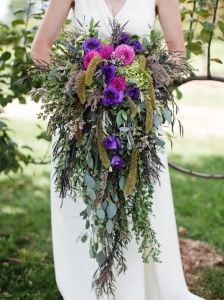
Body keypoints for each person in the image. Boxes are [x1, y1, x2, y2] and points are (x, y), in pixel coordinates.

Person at [31, 1, 204, 299]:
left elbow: (178, 52)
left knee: (136, 205)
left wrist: (144, 80)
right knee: (85, 203)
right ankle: (89, 290)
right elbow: (40, 48)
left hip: (135, 119)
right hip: (81, 120)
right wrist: (75, 87)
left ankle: (134, 290)